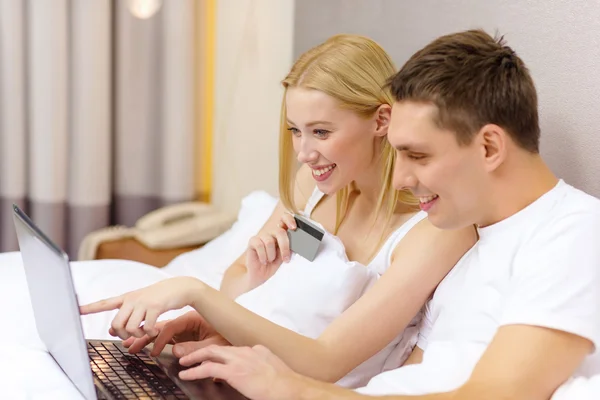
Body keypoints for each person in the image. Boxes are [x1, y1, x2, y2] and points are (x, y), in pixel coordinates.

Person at [159, 29, 600, 400]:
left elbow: (496, 395)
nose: (401, 178)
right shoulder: (472, 236)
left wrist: (290, 387)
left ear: (488, 147)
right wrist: (234, 336)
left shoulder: (573, 231)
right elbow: (398, 375)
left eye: (418, 156)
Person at [80, 34, 475, 387]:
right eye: (295, 130)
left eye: (321, 131)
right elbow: (235, 284)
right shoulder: (314, 187)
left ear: (381, 120)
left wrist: (194, 293)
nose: (304, 152)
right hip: (240, 368)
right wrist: (233, 305)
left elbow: (326, 362)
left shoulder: (432, 230)